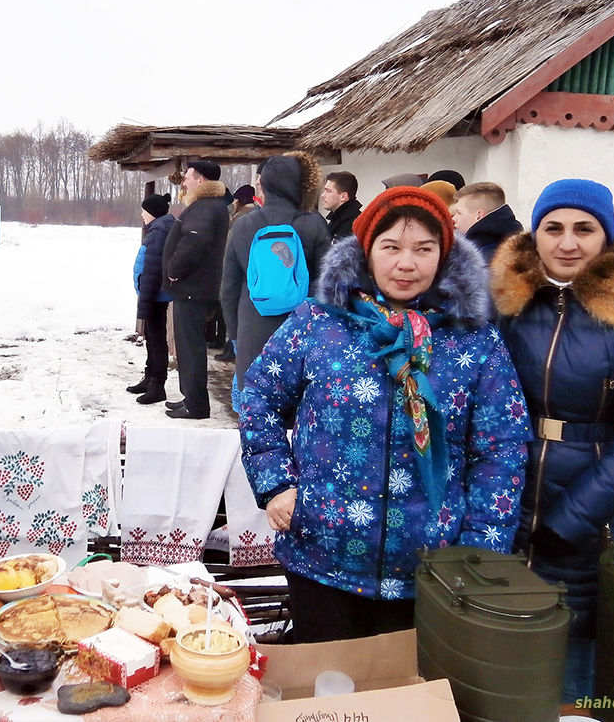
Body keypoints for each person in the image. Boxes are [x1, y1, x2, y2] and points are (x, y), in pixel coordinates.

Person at [239, 186, 529, 642]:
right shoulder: (319, 322)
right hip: (321, 556)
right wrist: (277, 484)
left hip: (432, 570)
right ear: (367, 252)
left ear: (444, 255)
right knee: (326, 681)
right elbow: (259, 397)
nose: (406, 264)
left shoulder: (474, 340)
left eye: (423, 249)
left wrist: (479, 548)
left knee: (409, 684)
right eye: (391, 247)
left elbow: (502, 449)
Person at [490, 179, 614, 702]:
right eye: (553, 228)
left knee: (572, 653)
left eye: (584, 229)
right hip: (505, 493)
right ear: (535, 234)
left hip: (590, 505)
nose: (568, 243)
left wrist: (573, 518)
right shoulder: (507, 300)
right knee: (498, 646)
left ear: (606, 236)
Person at [222, 151, 331, 396]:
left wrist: (235, 334)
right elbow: (327, 284)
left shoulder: (243, 225)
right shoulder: (314, 224)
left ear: (266, 185)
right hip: (302, 332)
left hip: (252, 331)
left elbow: (229, 287)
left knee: (256, 406)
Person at [162, 159, 229, 420]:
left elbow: (193, 242)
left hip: (192, 288)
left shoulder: (206, 207)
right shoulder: (207, 205)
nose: (184, 182)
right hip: (194, 288)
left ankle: (196, 405)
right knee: (189, 347)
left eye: (188, 177)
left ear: (200, 180)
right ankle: (190, 397)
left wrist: (173, 270)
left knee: (191, 348)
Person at [128, 193, 177, 404]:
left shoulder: (159, 232)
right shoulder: (159, 229)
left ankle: (157, 384)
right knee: (152, 337)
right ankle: (150, 378)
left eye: (144, 210)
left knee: (156, 340)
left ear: (153, 212)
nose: (142, 214)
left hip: (155, 294)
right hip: (153, 293)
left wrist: (146, 297)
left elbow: (152, 270)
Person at [215, 185, 260, 363]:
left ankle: (231, 347)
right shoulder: (249, 216)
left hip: (239, 274)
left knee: (232, 310)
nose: (233, 202)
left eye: (236, 199)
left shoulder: (243, 219)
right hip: (246, 274)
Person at [452, 181, 523, 262]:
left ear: (478, 216)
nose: (454, 218)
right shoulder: (520, 249)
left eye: (459, 213)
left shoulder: (478, 260)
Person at [320, 171, 362, 242]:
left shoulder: (355, 225)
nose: (323, 195)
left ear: (343, 196)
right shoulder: (336, 221)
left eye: (328, 191)